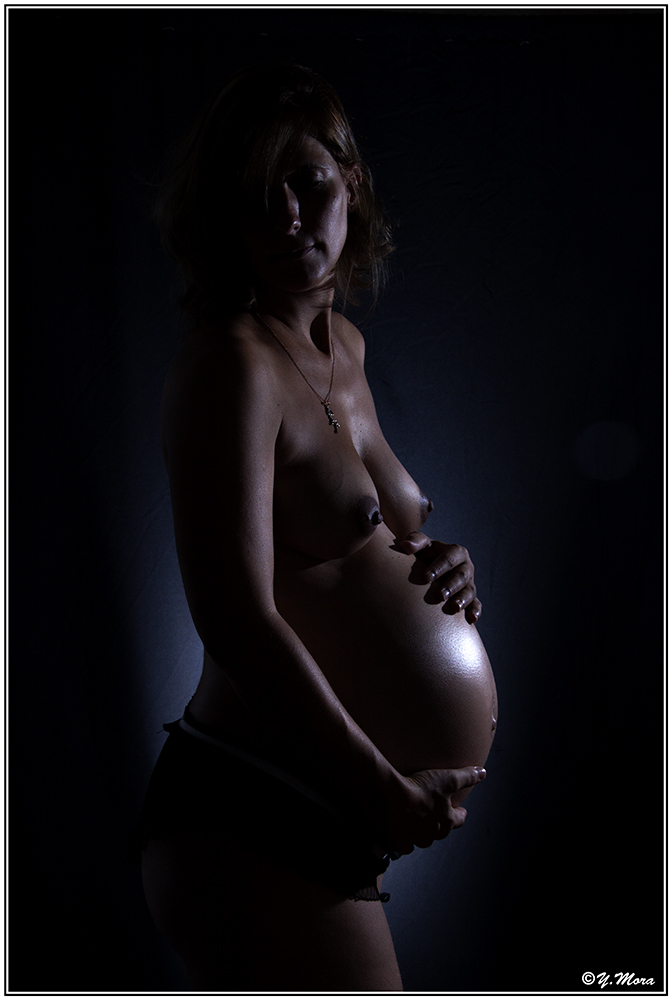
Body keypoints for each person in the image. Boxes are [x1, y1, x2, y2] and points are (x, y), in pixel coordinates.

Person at [139, 63, 498, 992]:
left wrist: (440, 564)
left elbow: (348, 541)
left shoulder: (346, 348)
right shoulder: (232, 364)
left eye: (308, 182)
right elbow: (236, 618)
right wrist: (382, 790)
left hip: (322, 804)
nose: (290, 215)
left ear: (354, 184)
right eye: (259, 196)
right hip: (254, 803)